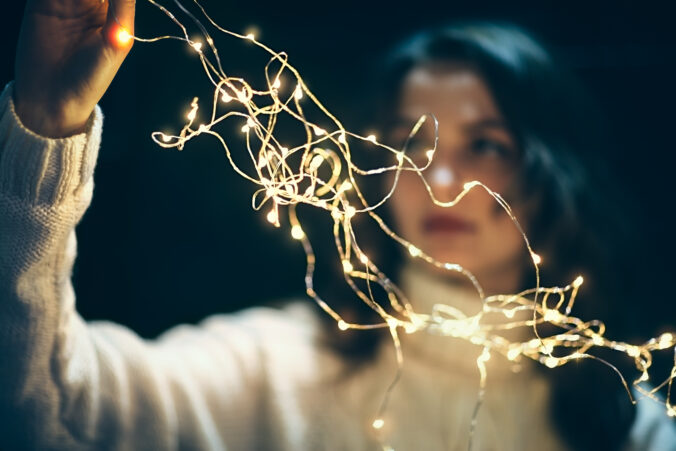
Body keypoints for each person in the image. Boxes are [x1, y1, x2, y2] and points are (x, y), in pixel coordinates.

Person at [0, 0, 674, 449]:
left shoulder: (628, 421)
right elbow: (53, 407)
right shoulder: (277, 369)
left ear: (551, 168)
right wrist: (45, 126)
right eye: (412, 146)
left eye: (486, 145)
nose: (440, 183)